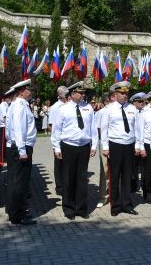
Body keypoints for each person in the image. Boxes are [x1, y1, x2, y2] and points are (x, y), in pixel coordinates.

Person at [52, 82, 97, 220]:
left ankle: (81, 208)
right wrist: (56, 147)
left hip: (84, 146)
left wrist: (94, 145)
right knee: (68, 177)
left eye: (84, 93)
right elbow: (57, 129)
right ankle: (69, 208)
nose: (83, 95)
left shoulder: (88, 108)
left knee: (81, 178)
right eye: (80, 93)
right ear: (72, 94)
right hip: (68, 146)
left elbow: (93, 128)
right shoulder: (63, 109)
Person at [100, 81, 141, 216]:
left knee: (127, 176)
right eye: (122, 93)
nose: (125, 95)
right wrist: (105, 147)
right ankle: (115, 206)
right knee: (114, 176)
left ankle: (126, 204)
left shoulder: (133, 109)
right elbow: (104, 129)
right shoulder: (109, 109)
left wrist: (138, 145)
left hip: (129, 145)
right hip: (115, 145)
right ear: (115, 94)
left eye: (126, 93)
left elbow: (137, 128)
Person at [7, 79, 38, 225]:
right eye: (28, 89)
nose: (30, 92)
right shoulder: (20, 106)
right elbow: (19, 129)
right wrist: (22, 151)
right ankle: (18, 215)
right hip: (22, 147)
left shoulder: (19, 105)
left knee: (18, 182)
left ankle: (16, 212)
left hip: (21, 147)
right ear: (21, 91)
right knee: (20, 183)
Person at [48, 86, 69, 196]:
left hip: (67, 139)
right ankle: (59, 187)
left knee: (66, 164)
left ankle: (66, 184)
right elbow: (51, 126)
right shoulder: (55, 107)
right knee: (59, 163)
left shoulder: (68, 106)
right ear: (60, 95)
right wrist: (55, 142)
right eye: (66, 94)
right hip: (58, 139)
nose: (67, 96)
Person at [96, 91, 115, 208]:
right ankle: (103, 197)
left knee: (117, 170)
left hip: (116, 143)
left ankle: (115, 195)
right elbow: (98, 129)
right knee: (105, 170)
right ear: (104, 102)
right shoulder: (101, 112)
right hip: (104, 143)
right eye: (108, 101)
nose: (110, 103)